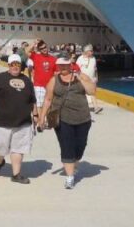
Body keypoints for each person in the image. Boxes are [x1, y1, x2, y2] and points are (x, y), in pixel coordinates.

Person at [40, 54, 96, 189]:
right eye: (61, 65)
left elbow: (91, 91)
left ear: (71, 65)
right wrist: (41, 117)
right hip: (62, 119)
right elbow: (47, 99)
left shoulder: (81, 77)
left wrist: (80, 79)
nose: (63, 67)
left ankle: (75, 162)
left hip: (83, 118)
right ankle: (70, 176)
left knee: (80, 146)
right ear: (58, 66)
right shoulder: (54, 80)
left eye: (66, 64)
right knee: (66, 146)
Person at [0, 54, 37, 184]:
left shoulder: (26, 80)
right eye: (12, 64)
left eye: (18, 65)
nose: (15, 67)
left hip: (23, 122)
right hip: (1, 121)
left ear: (21, 66)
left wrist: (36, 115)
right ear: (8, 65)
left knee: (19, 148)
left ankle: (16, 174)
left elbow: (33, 99)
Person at [29, 40, 57, 119]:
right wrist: (34, 43)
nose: (44, 49)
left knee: (49, 104)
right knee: (39, 105)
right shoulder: (36, 56)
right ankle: (41, 121)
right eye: (41, 48)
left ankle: (46, 119)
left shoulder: (53, 59)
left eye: (45, 47)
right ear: (39, 50)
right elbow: (27, 51)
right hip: (39, 85)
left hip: (49, 86)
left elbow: (56, 72)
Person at [75, 44, 101, 114]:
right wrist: (78, 78)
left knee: (92, 93)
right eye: (91, 51)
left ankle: (96, 107)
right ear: (86, 51)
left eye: (92, 51)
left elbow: (95, 69)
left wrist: (96, 77)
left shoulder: (93, 58)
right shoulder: (80, 59)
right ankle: (80, 108)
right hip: (82, 80)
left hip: (91, 80)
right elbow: (76, 69)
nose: (92, 52)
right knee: (81, 94)